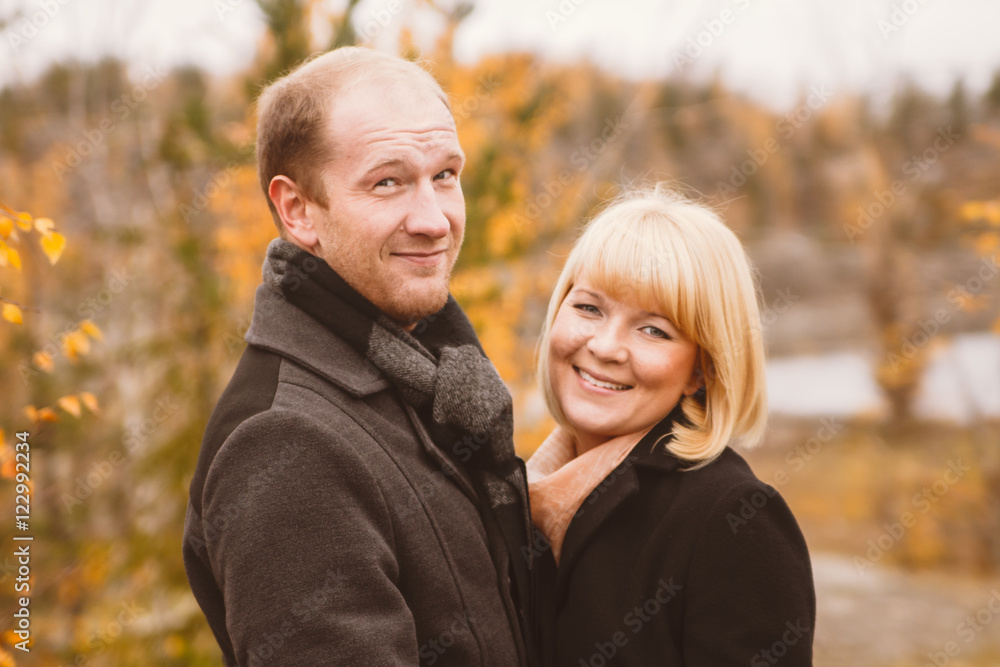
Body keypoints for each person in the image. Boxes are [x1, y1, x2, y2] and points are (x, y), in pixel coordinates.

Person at [183, 47, 537, 666]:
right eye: (388, 181)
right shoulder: (286, 445)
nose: (434, 220)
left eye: (446, 175)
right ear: (298, 211)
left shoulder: (431, 375)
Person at [527, 187, 815, 666]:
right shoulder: (517, 493)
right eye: (589, 308)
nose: (605, 346)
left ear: (701, 370)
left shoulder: (734, 519)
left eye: (653, 330)